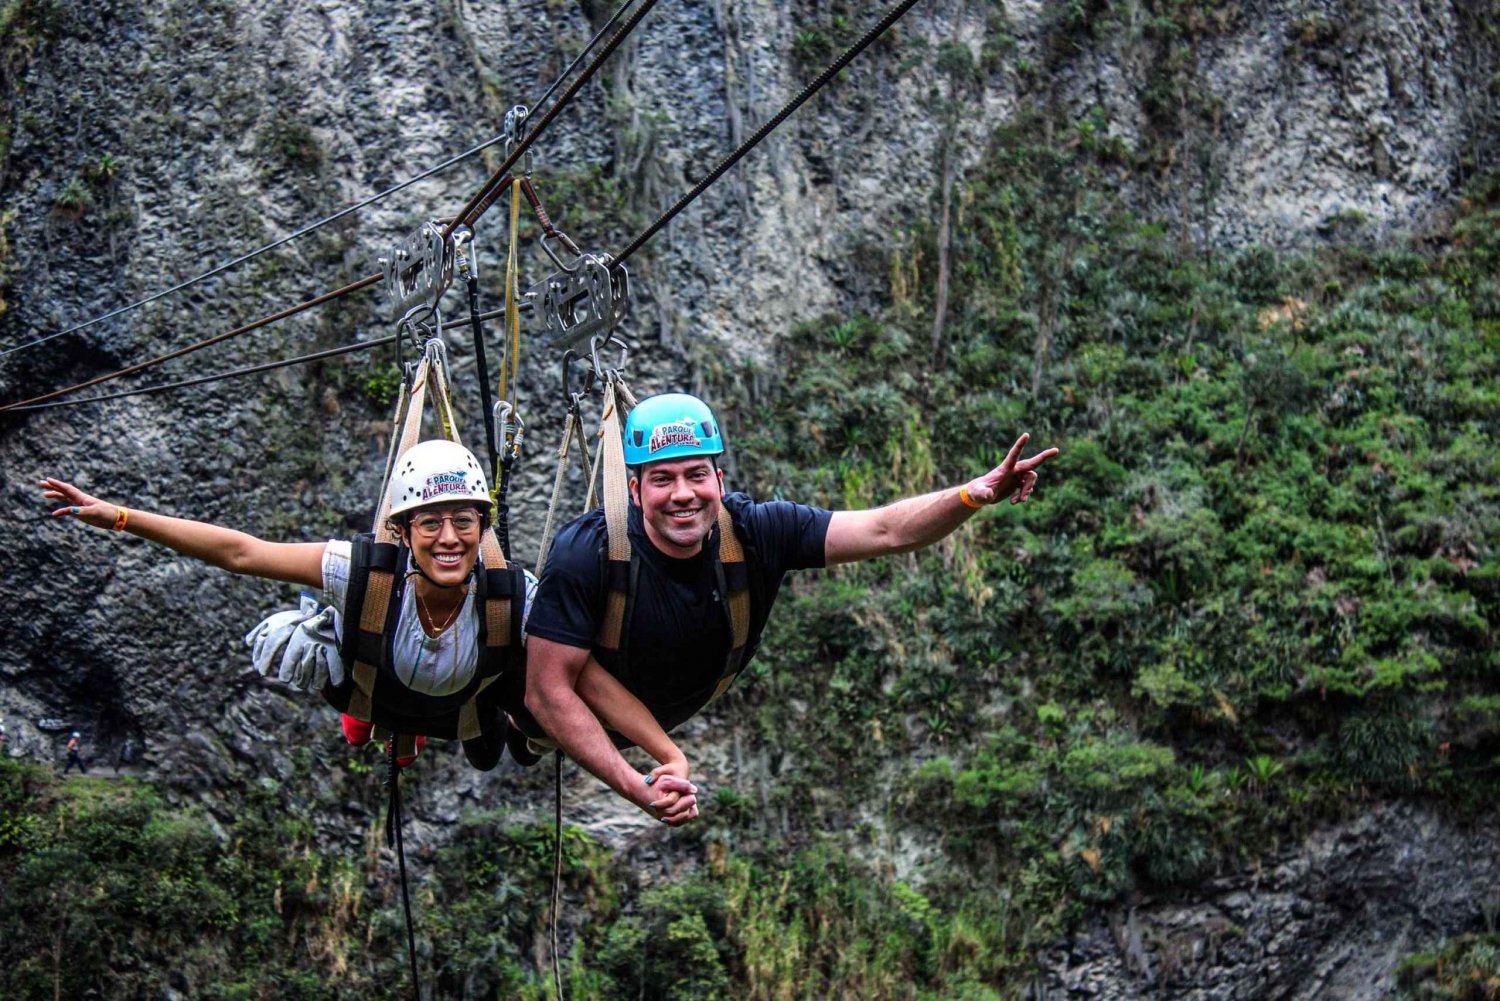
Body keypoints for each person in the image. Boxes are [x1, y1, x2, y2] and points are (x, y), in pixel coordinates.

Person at [39, 440, 700, 824]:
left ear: (482, 525)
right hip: (371, 690)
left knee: (501, 738)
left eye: (464, 521)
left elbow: (584, 680)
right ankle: (387, 726)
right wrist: (121, 516)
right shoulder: (361, 570)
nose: (449, 537)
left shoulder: (512, 593)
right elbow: (240, 551)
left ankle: (428, 731)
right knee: (305, 652)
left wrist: (663, 753)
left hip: (463, 709)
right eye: (430, 522)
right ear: (404, 530)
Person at [520, 393, 1058, 825]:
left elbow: (885, 529)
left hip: (649, 714)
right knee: (507, 678)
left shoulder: (756, 531)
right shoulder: (588, 551)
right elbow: (547, 692)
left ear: (719, 482)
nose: (682, 494)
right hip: (529, 712)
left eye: (695, 475)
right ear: (635, 492)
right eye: (662, 479)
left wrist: (971, 495)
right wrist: (638, 788)